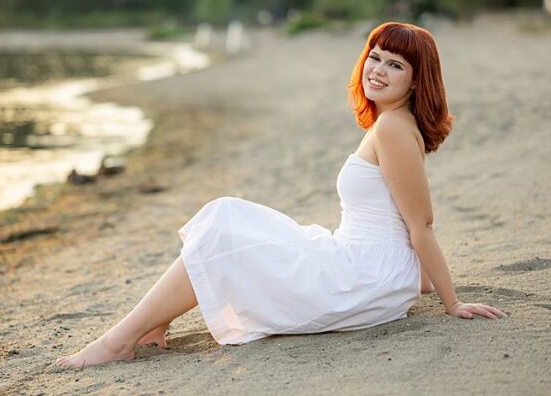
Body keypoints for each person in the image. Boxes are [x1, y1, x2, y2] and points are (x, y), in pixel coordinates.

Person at [56, 22, 507, 369]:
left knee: (226, 230)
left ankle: (120, 341)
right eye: (377, 56)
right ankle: (152, 325)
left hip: (361, 276)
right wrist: (415, 280)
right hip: (364, 264)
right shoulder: (392, 123)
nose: (379, 69)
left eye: (396, 65)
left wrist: (451, 302)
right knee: (226, 218)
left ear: (416, 79)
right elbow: (398, 221)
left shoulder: (392, 128)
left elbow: (420, 224)